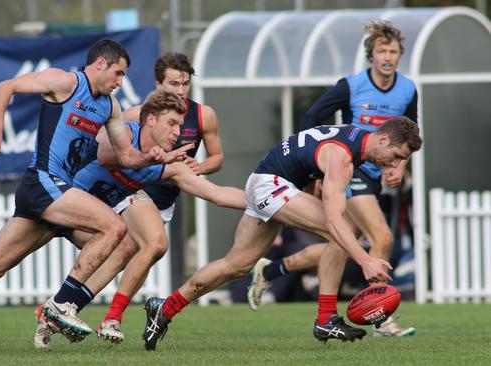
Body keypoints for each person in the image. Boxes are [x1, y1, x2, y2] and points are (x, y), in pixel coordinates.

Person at [0, 39, 191, 355]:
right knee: (114, 228)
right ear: (100, 64)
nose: (120, 82)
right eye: (118, 73)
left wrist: (152, 157)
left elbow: (127, 156)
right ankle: (63, 304)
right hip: (44, 183)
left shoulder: (110, 106)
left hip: (59, 196)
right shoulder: (65, 82)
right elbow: (6, 87)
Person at [141, 117, 423, 351]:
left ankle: (164, 308)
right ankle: (326, 318)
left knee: (236, 265)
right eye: (397, 156)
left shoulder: (355, 138)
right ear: (384, 140)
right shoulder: (343, 157)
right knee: (341, 231)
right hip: (271, 185)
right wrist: (365, 260)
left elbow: (311, 158)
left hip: (267, 181)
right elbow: (334, 220)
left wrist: (309, 190)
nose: (396, 164)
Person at [248, 19, 418, 337]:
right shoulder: (351, 85)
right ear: (371, 54)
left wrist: (398, 166)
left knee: (339, 243)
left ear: (400, 55)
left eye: (393, 51)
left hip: (374, 177)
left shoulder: (408, 89)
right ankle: (380, 317)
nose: (388, 57)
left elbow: (410, 135)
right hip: (349, 174)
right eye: (382, 50)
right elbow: (311, 118)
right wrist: (314, 168)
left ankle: (271, 270)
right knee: (381, 239)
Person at [33, 89, 237, 348]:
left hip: (106, 206)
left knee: (126, 244)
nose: (178, 132)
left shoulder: (174, 153)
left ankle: (64, 309)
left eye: (185, 83)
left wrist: (265, 201)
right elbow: (106, 154)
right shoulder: (128, 125)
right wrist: (142, 159)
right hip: (65, 201)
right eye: (172, 124)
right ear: (151, 116)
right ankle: (78, 311)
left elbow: (217, 194)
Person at [89, 52, 224, 344]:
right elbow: (105, 145)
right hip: (135, 190)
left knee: (124, 254)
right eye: (173, 83)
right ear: (158, 83)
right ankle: (111, 317)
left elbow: (217, 158)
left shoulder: (203, 115)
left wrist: (200, 167)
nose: (180, 90)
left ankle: (64, 305)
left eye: (185, 83)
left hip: (167, 197)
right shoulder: (137, 113)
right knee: (155, 244)